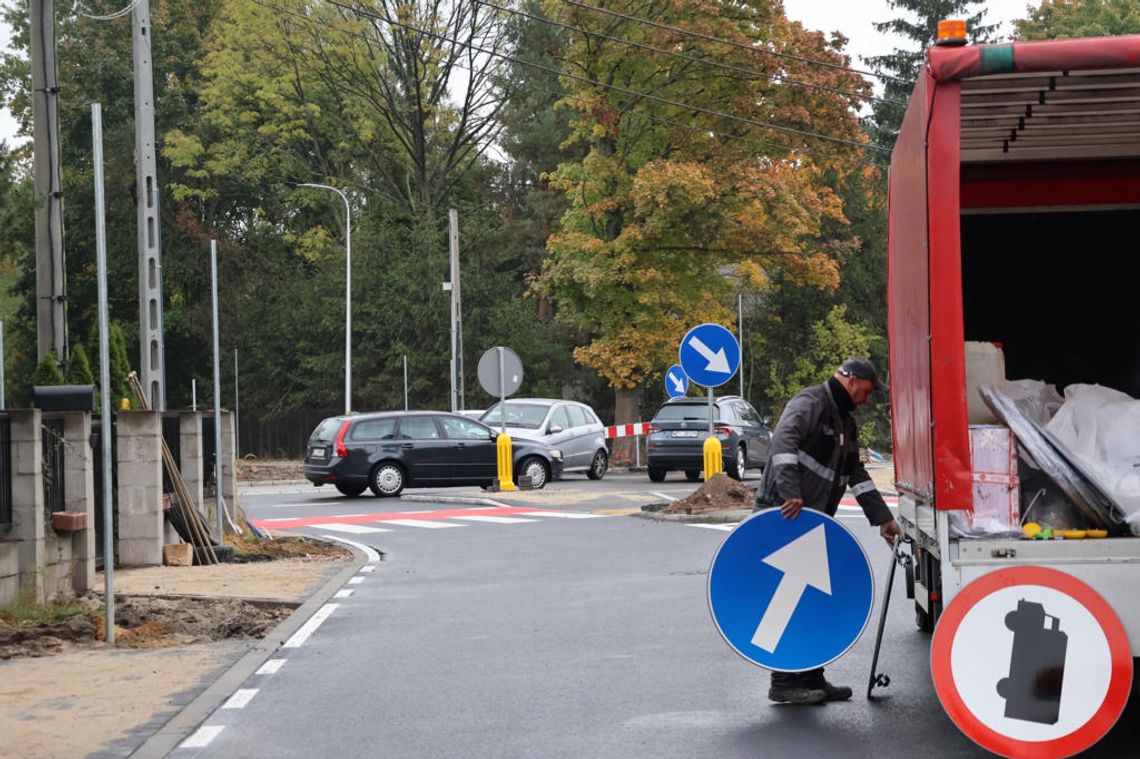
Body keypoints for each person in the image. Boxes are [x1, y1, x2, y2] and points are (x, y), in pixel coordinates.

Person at [753, 357, 903, 705]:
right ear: (851, 381)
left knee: (811, 599)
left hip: (811, 520)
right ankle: (784, 681)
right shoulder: (810, 403)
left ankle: (811, 675)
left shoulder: (844, 422)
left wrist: (883, 517)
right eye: (866, 391)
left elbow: (856, 474)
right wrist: (791, 492)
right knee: (788, 599)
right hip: (784, 514)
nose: (867, 400)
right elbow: (782, 445)